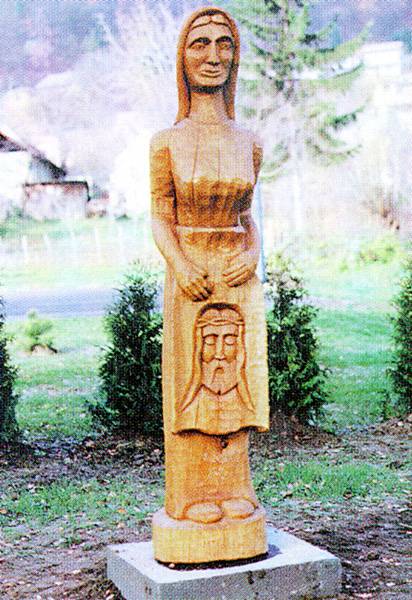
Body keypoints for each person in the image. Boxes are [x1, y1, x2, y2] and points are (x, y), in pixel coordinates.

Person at [150, 6, 269, 527]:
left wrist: (253, 252)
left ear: (235, 57)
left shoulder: (250, 142)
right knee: (192, 379)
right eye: (201, 43)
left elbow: (248, 215)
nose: (213, 55)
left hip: (238, 274)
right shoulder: (166, 142)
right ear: (183, 56)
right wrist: (180, 265)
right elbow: (160, 216)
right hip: (190, 274)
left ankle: (235, 488)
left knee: (238, 379)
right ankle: (192, 494)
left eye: (225, 43)